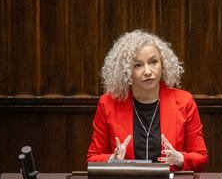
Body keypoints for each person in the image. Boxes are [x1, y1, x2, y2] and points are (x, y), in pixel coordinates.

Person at [87, 30, 208, 171]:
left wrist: (180, 159)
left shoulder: (184, 101)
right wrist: (111, 160)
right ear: (126, 71)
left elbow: (201, 156)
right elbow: (92, 158)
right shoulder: (108, 104)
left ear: (163, 65)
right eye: (138, 65)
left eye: (153, 62)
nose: (148, 71)